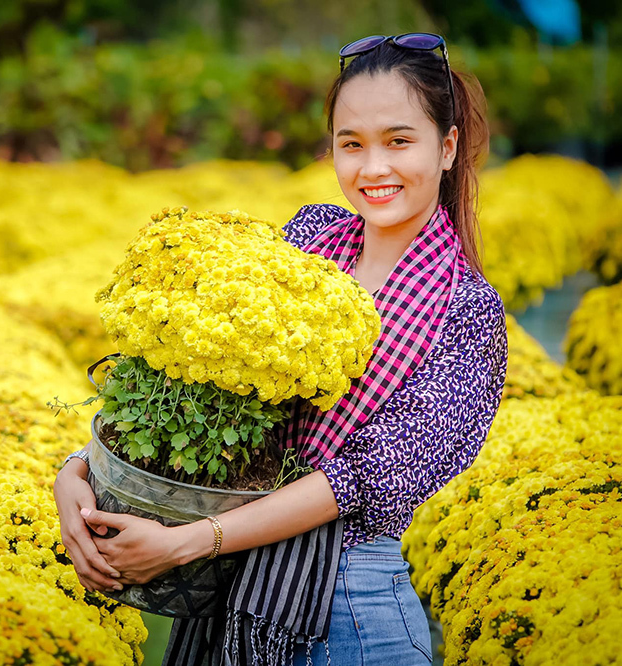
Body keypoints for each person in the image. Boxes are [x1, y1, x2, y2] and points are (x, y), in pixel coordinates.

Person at [53, 33, 508, 666]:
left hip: (349, 611)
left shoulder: (467, 311)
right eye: (352, 145)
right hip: (231, 589)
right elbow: (211, 390)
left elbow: (358, 481)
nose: (373, 168)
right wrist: (82, 472)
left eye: (399, 141)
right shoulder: (311, 237)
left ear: (448, 147)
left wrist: (187, 542)